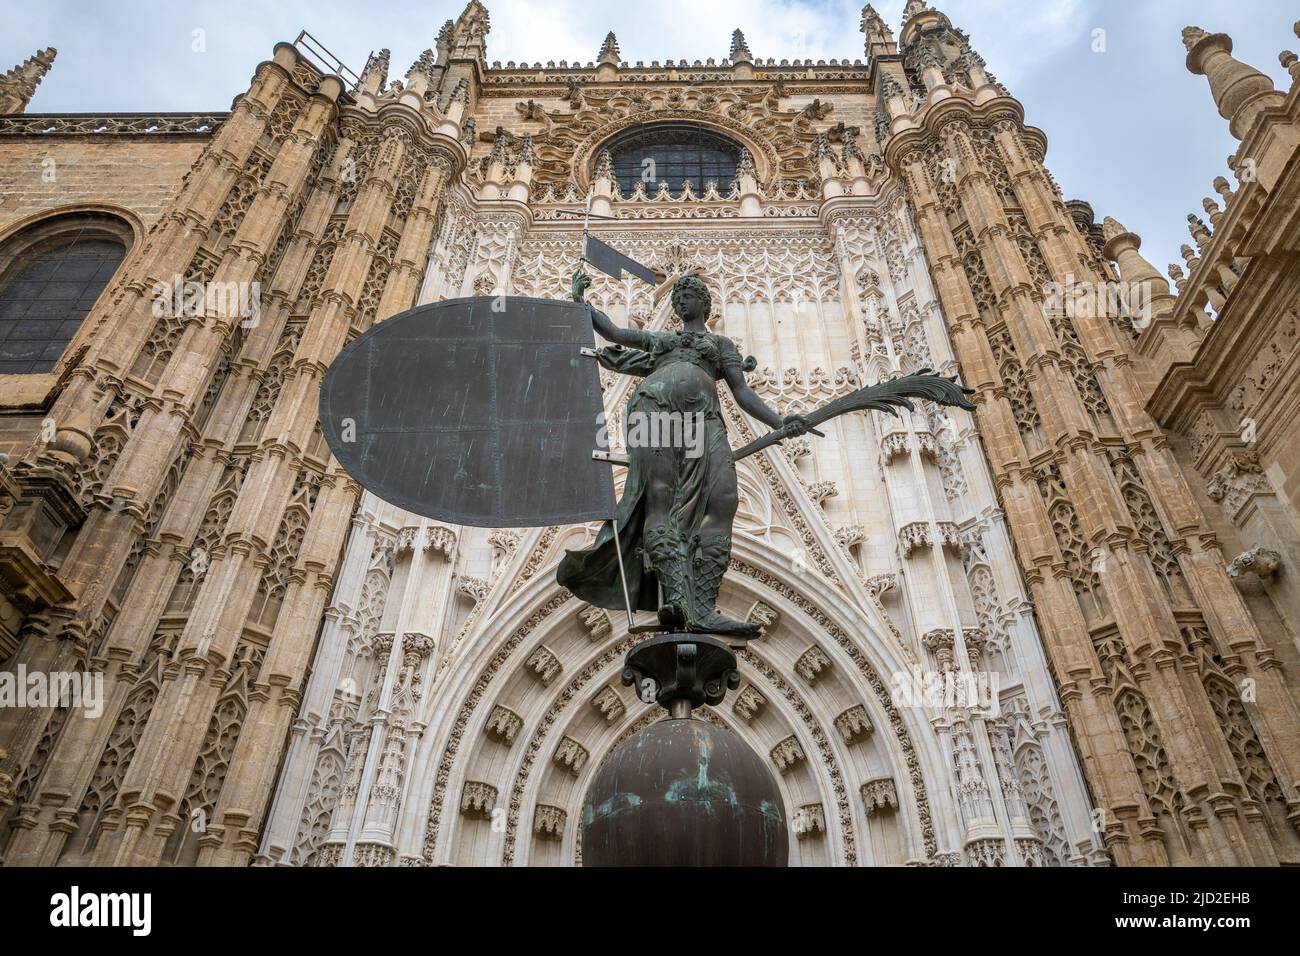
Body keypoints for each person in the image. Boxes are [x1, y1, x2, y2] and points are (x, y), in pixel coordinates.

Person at [558, 269, 811, 637]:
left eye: (686, 296)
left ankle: (703, 606)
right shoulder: (663, 341)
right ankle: (677, 596)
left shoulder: (721, 346)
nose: (679, 301)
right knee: (659, 496)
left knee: (723, 498)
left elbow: (742, 393)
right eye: (676, 297)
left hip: (701, 422)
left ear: (703, 304)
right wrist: (582, 302)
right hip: (654, 408)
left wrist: (779, 421)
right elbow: (614, 333)